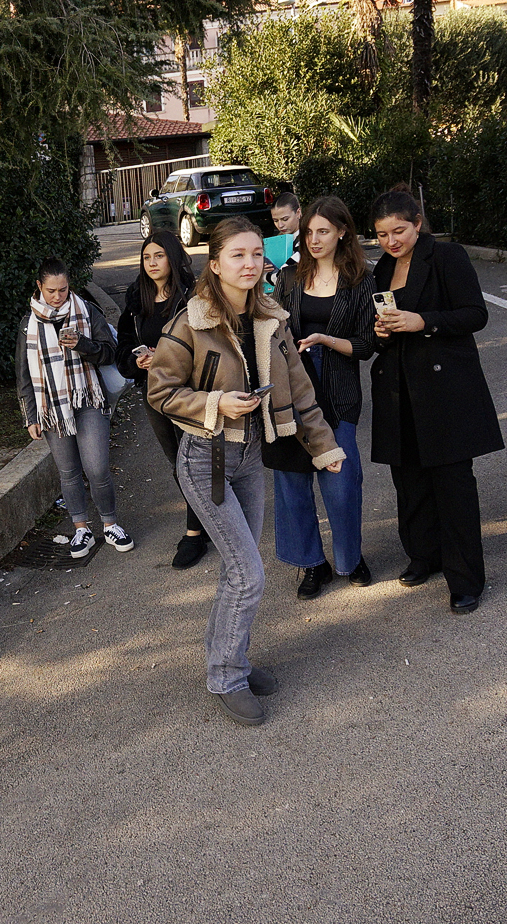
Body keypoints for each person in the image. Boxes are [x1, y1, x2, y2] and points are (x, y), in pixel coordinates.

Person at [149, 216, 345, 727]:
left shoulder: (272, 317)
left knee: (238, 571)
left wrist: (323, 447)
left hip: (250, 459)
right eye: (237, 255)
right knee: (248, 574)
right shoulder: (189, 322)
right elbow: (160, 392)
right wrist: (217, 402)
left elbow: (300, 391)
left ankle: (228, 656)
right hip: (204, 460)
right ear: (214, 264)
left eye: (257, 254)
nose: (250, 263)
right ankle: (226, 676)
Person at [368, 189, 504, 614]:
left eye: (399, 231)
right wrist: (382, 332)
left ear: (418, 223)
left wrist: (421, 321)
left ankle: (465, 578)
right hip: (397, 388)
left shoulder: (448, 257)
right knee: (408, 480)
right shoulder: (383, 268)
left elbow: (474, 314)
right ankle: (423, 556)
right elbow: (380, 324)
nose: (391, 241)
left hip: (445, 390)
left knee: (453, 484)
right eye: (381, 234)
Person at [269, 196, 375, 599]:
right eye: (309, 231)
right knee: (292, 482)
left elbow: (366, 345)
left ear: (342, 232)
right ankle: (313, 564)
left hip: (339, 393)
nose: (314, 239)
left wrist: (327, 340)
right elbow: (271, 328)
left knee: (342, 482)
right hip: (291, 394)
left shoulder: (361, 280)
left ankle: (351, 558)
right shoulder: (290, 277)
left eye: (323, 232)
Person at [17, 257, 133, 559]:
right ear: (40, 287)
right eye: (51, 290)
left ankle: (110, 524)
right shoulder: (28, 324)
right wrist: (30, 415)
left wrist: (83, 344)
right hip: (53, 407)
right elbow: (23, 374)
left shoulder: (87, 311)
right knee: (68, 472)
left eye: (63, 290)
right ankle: (81, 529)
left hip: (88, 399)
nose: (58, 297)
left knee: (97, 468)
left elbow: (110, 353)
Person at [117, 232, 209, 568]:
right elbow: (123, 345)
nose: (152, 263)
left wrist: (169, 356)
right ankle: (204, 520)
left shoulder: (193, 294)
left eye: (159, 256)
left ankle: (196, 532)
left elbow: (208, 340)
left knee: (196, 455)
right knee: (176, 460)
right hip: (153, 391)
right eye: (147, 257)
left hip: (190, 389)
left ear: (172, 257)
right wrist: (136, 359)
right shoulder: (135, 299)